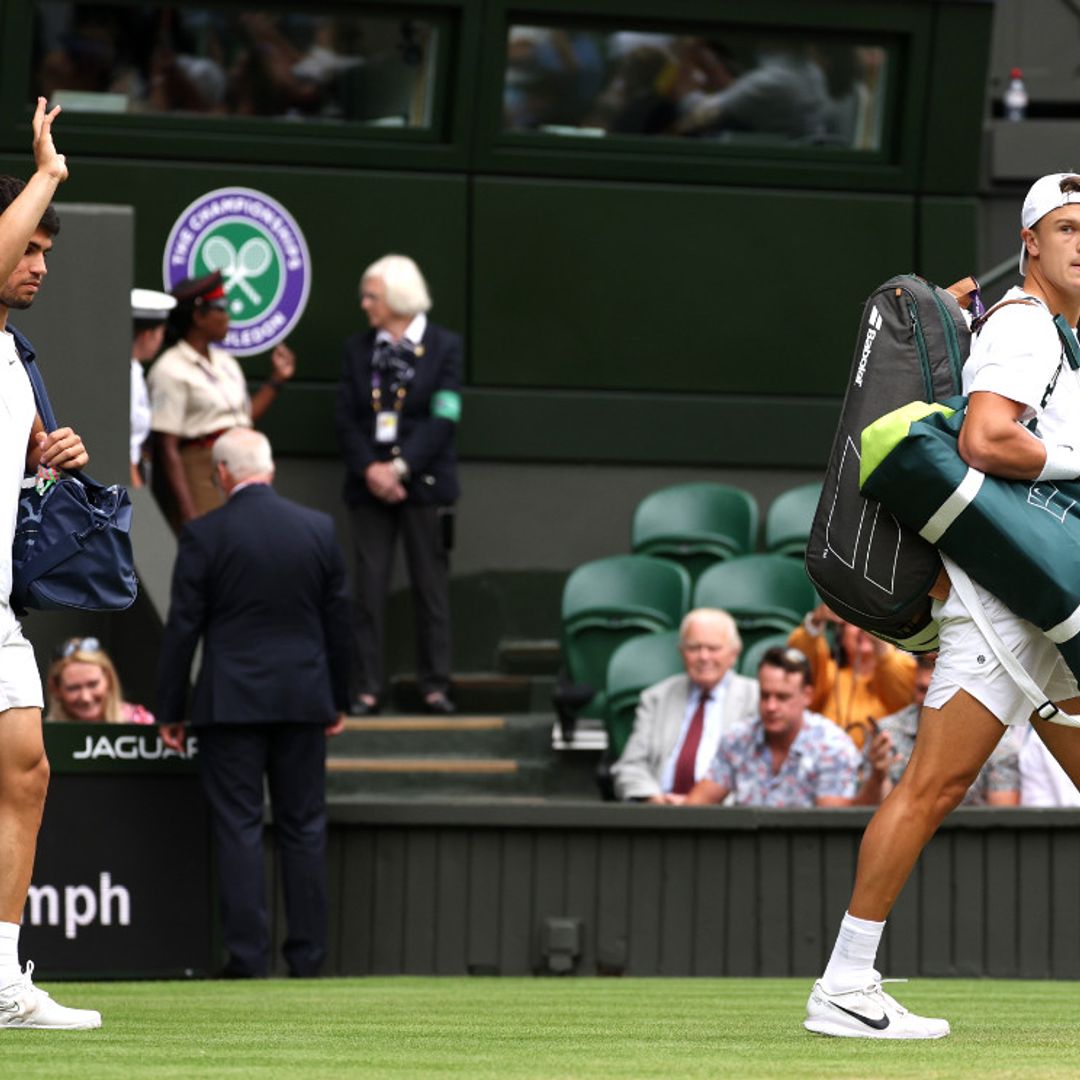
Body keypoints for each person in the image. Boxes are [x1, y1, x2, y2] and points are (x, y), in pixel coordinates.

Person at [805, 173, 1080, 1040]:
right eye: (1066, 227)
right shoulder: (1027, 327)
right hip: (1006, 609)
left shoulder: (1055, 333)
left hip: (1030, 609)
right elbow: (986, 437)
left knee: (933, 785)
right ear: (1029, 243)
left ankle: (845, 982)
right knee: (932, 785)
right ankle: (846, 983)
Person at [157, 427, 350, 978]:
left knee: (239, 828)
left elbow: (182, 629)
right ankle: (308, 961)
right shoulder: (317, 529)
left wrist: (171, 709)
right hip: (303, 701)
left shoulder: (204, 535)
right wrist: (337, 699)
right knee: (304, 828)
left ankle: (247, 960)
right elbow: (339, 624)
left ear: (221, 474)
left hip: (230, 705)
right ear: (270, 467)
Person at [0, 99, 101, 1028]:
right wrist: (48, 172)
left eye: (46, 255)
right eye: (32, 247)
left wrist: (50, 456)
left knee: (26, 772)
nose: (38, 267)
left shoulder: (17, 357)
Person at [335, 254, 462, 717]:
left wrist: (401, 468)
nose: (365, 304)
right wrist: (372, 469)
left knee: (431, 589)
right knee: (367, 590)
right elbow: (346, 419)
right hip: (368, 487)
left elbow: (444, 417)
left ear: (397, 298)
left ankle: (435, 686)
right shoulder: (357, 349)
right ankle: (367, 688)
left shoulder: (445, 347)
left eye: (372, 296)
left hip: (424, 486)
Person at [147, 270, 296, 527]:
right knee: (211, 545)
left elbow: (242, 420)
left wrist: (276, 381)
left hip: (243, 469)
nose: (228, 316)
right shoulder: (170, 368)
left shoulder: (225, 362)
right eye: (221, 307)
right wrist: (188, 512)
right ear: (199, 316)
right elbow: (166, 446)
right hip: (202, 469)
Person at [685, 647, 883, 808]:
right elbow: (696, 807)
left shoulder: (831, 745)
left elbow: (833, 824)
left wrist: (876, 778)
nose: (771, 706)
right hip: (744, 853)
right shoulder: (738, 738)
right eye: (765, 696)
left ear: (807, 696)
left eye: (782, 697)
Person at [611, 608, 759, 803]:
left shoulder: (757, 698)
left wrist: (700, 804)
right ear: (681, 652)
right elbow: (630, 766)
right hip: (659, 815)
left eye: (713, 648)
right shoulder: (657, 698)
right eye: (694, 648)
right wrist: (654, 799)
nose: (704, 657)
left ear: (734, 653)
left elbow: (759, 774)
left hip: (726, 818)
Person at [876, 656, 1019, 806]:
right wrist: (878, 777)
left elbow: (1001, 818)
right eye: (922, 690)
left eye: (936, 691)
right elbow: (864, 814)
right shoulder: (887, 733)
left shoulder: (997, 744)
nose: (928, 702)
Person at [789, 602, 916, 749]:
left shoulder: (902, 667)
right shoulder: (830, 673)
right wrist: (815, 622)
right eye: (854, 623)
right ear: (841, 637)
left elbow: (903, 696)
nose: (862, 630)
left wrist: (880, 643)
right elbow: (799, 664)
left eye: (868, 624)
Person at [45, 638, 154, 725]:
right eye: (73, 688)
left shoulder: (139, 722)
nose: (85, 698)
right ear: (56, 689)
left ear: (109, 679)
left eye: (93, 684)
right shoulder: (40, 737)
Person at [129, 287, 176, 488]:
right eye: (160, 333)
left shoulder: (135, 370)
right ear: (148, 334)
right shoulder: (128, 375)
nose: (160, 340)